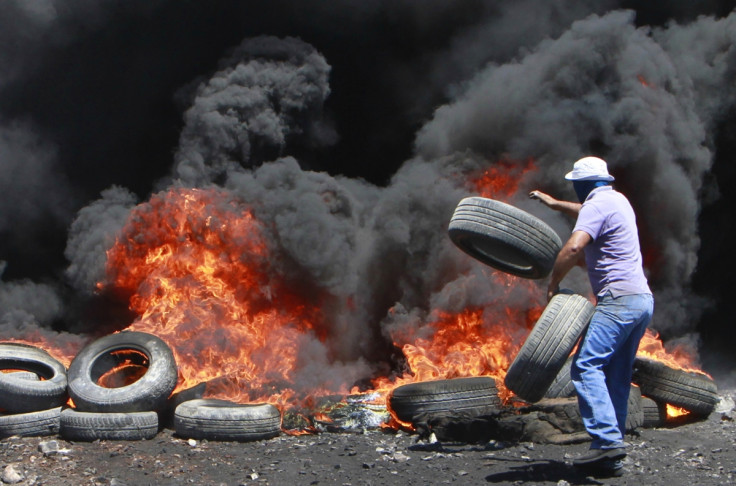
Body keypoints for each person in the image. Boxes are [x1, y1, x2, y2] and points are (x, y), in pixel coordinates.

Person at [529, 156, 654, 477]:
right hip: (641, 300)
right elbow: (587, 212)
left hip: (618, 301)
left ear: (582, 185)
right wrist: (556, 205)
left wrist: (553, 283)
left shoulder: (596, 206)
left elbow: (573, 248)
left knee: (585, 367)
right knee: (616, 372)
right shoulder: (617, 200)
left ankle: (607, 440)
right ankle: (611, 454)